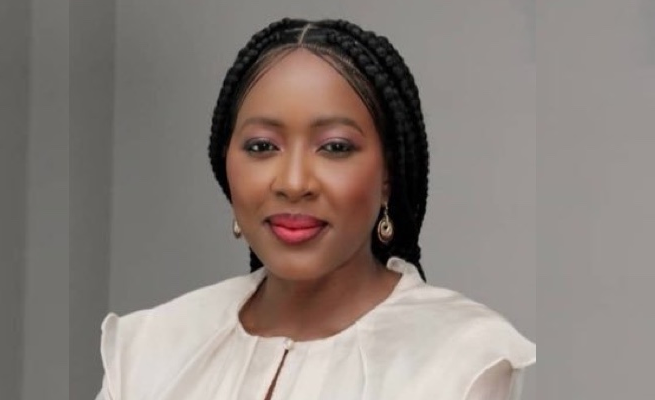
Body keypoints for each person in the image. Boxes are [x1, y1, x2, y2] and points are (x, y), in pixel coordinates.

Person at [95, 18, 536, 400]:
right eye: (262, 146)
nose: (293, 183)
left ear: (388, 173)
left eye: (335, 147)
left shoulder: (461, 360)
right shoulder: (149, 348)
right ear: (225, 161)